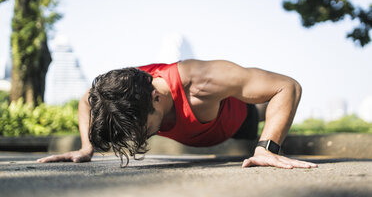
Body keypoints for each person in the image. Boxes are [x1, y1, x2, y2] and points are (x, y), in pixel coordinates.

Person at [37, 59, 318, 169]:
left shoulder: (202, 82)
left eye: (141, 128)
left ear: (156, 98)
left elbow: (286, 86)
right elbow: (87, 99)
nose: (137, 138)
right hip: (198, 131)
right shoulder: (124, 92)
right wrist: (86, 148)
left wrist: (266, 148)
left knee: (254, 110)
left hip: (239, 121)